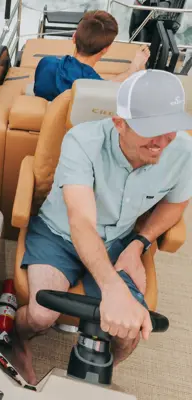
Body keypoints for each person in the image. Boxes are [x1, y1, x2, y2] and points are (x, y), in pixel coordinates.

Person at [13, 69, 192, 385]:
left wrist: (139, 243)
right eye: (151, 131)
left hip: (120, 241)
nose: (162, 142)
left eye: (170, 129)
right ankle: (18, 340)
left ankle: (102, 376)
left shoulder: (184, 151)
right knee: (41, 315)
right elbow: (81, 221)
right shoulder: (82, 141)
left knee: (128, 334)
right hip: (59, 235)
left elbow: (175, 205)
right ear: (119, 123)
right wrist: (112, 288)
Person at [34, 10, 151, 101]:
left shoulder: (46, 63)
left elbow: (106, 84)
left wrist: (131, 70)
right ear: (106, 49)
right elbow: (105, 85)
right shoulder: (95, 88)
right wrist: (136, 67)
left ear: (74, 37)